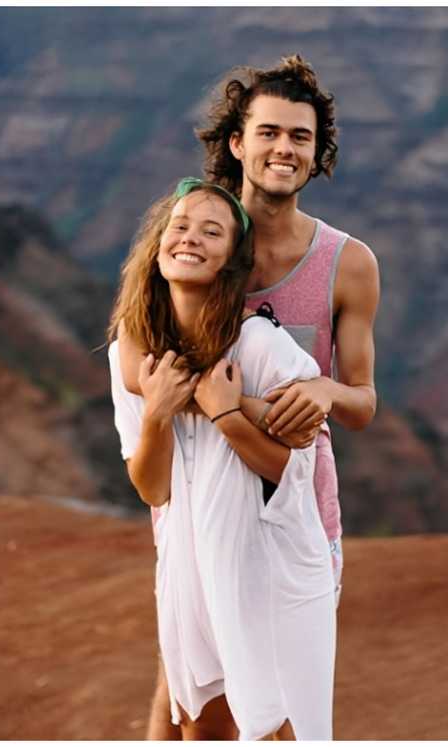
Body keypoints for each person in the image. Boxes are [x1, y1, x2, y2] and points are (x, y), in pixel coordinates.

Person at [120, 55, 381, 741]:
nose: (283, 149)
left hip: (294, 507)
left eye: (300, 136)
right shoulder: (194, 244)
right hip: (194, 504)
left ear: (317, 153)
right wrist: (225, 407)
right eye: (268, 132)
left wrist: (321, 387)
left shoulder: (347, 264)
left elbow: (362, 403)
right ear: (237, 142)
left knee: (278, 700)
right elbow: (138, 365)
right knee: (185, 692)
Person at [108, 177, 337, 740]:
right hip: (188, 561)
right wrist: (158, 412)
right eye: (180, 226)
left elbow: (291, 472)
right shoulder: (132, 358)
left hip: (265, 563)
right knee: (203, 726)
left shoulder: (259, 346)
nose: (190, 238)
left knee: (277, 725)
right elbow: (153, 489)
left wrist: (229, 414)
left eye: (212, 232)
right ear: (157, 246)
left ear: (232, 260)